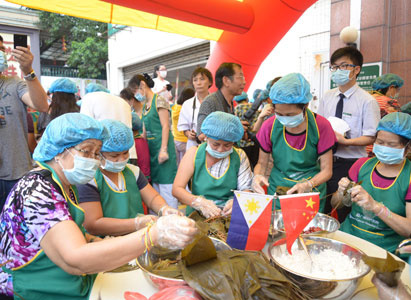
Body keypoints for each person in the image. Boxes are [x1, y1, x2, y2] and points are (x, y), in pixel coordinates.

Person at [0, 113, 197, 299]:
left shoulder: (64, 185)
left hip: (67, 282)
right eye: (86, 151)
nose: (93, 160)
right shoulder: (36, 189)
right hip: (34, 288)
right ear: (59, 151)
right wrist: (152, 234)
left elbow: (70, 232)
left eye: (96, 153)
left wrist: (100, 242)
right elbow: (75, 259)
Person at [77, 119, 180, 237]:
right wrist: (136, 223)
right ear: (98, 153)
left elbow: (152, 198)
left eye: (125, 153)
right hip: (106, 244)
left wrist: (164, 209)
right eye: (114, 155)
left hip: (138, 239)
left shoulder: (132, 172)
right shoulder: (90, 180)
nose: (121, 159)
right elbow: (93, 224)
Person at [253, 73, 336, 212]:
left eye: (290, 115)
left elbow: (327, 170)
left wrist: (309, 184)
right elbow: (261, 163)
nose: (284, 119)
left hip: (309, 192)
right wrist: (257, 176)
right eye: (279, 114)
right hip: (278, 189)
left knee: (306, 230)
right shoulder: (269, 126)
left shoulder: (321, 126)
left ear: (306, 105)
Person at [331, 112, 411, 254]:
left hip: (384, 250)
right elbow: (335, 204)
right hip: (349, 238)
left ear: (408, 148)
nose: (383, 147)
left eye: (391, 144)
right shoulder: (362, 165)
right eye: (380, 142)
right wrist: (342, 193)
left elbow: (408, 230)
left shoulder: (408, 177)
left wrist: (376, 207)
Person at [317, 46, 380, 220]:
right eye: (335, 67)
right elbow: (320, 126)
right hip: (326, 160)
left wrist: (346, 142)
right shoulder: (327, 96)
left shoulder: (367, 101)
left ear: (356, 69)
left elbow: (371, 137)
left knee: (343, 207)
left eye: (344, 66)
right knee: (322, 206)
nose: (338, 71)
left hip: (350, 163)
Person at [0, 35, 48, 212]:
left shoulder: (15, 84)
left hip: (16, 172)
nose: (1, 54)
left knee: (16, 233)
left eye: (2, 49)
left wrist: (28, 70)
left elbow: (42, 105)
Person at [173, 111, 253, 217]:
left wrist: (238, 202)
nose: (220, 150)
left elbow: (246, 190)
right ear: (206, 137)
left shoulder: (239, 156)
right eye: (215, 144)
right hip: (198, 215)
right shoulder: (194, 153)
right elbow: (177, 189)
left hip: (228, 215)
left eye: (227, 145)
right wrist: (200, 203)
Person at [132, 73, 178, 208]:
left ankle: (173, 220)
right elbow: (145, 130)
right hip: (151, 151)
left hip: (162, 149)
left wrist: (163, 149)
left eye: (135, 89)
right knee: (156, 189)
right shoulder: (146, 105)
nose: (135, 94)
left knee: (167, 187)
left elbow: (165, 126)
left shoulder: (160, 101)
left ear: (142, 85)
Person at [80, 90, 138, 164]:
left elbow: (86, 133)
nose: (121, 159)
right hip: (129, 153)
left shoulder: (88, 99)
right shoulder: (122, 102)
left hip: (107, 155)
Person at [196, 62, 246, 142]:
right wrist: (231, 128)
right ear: (226, 81)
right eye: (240, 77)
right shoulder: (210, 102)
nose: (244, 82)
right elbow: (201, 135)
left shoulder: (230, 102)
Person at [234, 91, 274, 169]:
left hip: (243, 143)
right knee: (256, 163)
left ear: (236, 101)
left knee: (246, 165)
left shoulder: (236, 109)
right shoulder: (254, 107)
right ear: (247, 98)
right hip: (256, 140)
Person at [177, 67, 213, 151]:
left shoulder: (216, 101)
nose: (198, 83)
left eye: (202, 79)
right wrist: (188, 134)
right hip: (193, 145)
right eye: (195, 80)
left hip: (213, 145)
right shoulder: (187, 104)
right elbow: (184, 128)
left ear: (210, 82)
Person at [172, 87, 194, 165]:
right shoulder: (185, 109)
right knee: (185, 164)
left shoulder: (174, 108)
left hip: (176, 139)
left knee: (178, 164)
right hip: (185, 140)